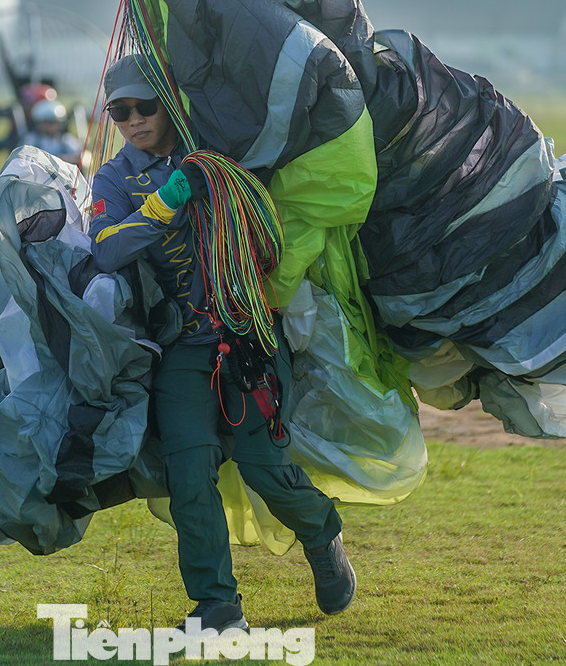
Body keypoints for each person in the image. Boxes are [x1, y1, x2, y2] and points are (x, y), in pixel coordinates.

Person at [86, 55, 356, 633]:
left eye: (144, 106)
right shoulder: (114, 179)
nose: (133, 120)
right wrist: (163, 204)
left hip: (248, 334)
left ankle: (321, 533)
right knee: (188, 472)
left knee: (264, 467)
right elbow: (105, 250)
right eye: (120, 112)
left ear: (168, 103)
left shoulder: (217, 149)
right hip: (182, 346)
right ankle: (217, 605)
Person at [21, 99, 83, 166]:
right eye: (46, 122)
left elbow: (82, 156)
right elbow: (21, 158)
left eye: (54, 122)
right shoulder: (31, 139)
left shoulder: (66, 139)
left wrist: (66, 159)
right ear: (39, 123)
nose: (51, 126)